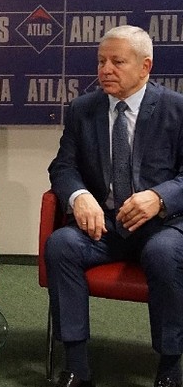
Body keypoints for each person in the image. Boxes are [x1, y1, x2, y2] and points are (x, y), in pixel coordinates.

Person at [46, 25, 183, 387]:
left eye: (117, 62)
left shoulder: (175, 109)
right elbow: (63, 167)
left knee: (163, 253)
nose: (105, 69)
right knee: (61, 244)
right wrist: (79, 196)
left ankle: (170, 366)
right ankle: (76, 366)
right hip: (105, 225)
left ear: (145, 66)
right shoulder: (83, 109)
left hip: (162, 225)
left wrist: (160, 197)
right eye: (101, 61)